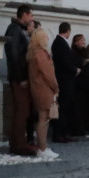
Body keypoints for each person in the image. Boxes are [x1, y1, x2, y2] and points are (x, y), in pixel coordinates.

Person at [4, 4, 36, 156]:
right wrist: (21, 77)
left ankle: (18, 142)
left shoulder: (18, 30)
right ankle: (19, 144)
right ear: (24, 15)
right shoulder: (15, 30)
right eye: (31, 15)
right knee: (21, 111)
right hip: (19, 78)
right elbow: (14, 55)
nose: (32, 18)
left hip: (21, 77)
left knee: (23, 111)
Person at [28, 27, 59, 159]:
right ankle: (42, 148)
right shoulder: (41, 54)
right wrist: (56, 87)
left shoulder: (34, 53)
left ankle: (42, 147)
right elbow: (48, 73)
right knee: (44, 119)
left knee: (44, 119)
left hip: (41, 88)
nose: (47, 38)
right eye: (45, 36)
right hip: (44, 89)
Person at [50, 22, 78, 143]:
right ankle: (59, 134)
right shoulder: (59, 43)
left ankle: (64, 132)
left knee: (66, 107)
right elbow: (64, 61)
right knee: (63, 107)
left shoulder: (60, 43)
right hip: (64, 80)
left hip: (66, 79)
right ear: (68, 30)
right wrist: (75, 70)